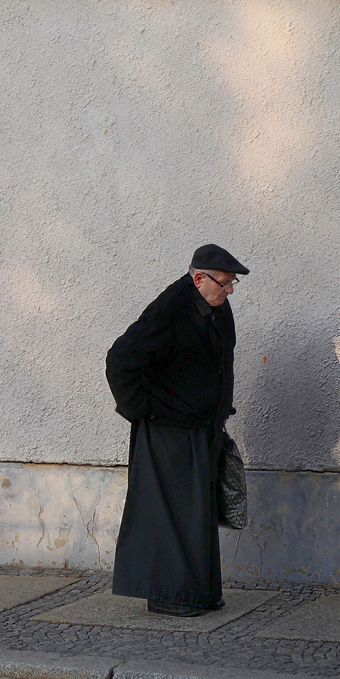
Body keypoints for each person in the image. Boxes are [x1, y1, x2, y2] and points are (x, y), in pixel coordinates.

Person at [105, 244, 249, 616]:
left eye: (233, 284)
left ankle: (199, 592)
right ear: (199, 278)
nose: (230, 291)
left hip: (201, 427)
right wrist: (144, 412)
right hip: (168, 430)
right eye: (225, 283)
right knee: (170, 513)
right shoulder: (169, 309)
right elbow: (121, 360)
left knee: (197, 512)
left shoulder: (216, 307)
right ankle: (169, 596)